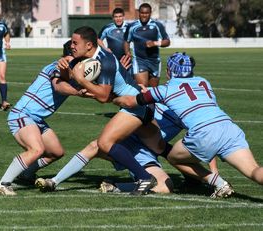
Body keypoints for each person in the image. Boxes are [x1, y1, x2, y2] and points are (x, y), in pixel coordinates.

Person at [113, 52, 263, 192]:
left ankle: (216, 182)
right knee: (253, 170)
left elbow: (132, 102)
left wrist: (114, 97)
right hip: (228, 127)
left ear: (169, 71)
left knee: (172, 157)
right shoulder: (204, 82)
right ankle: (210, 181)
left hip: (204, 132)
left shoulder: (165, 90)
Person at [59, 26, 176, 195]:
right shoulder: (85, 59)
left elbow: (102, 96)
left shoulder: (104, 60)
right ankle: (200, 177)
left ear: (89, 45)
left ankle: (144, 177)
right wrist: (63, 66)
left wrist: (82, 81)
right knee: (161, 149)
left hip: (136, 104)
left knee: (105, 143)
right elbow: (67, 81)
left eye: (75, 43)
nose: (72, 46)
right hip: (134, 105)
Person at [35, 103, 230, 197]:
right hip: (127, 142)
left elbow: (203, 140)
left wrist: (213, 172)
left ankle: (116, 186)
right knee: (96, 145)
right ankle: (54, 181)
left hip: (146, 153)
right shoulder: (161, 94)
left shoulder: (189, 111)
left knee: (166, 187)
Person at [0, 41, 91, 196]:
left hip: (36, 119)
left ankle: (26, 174)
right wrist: (78, 92)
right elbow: (59, 86)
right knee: (36, 150)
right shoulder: (56, 67)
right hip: (23, 114)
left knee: (56, 152)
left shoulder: (72, 74)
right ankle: (3, 184)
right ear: (69, 57)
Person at [124, 3, 170, 87]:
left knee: (153, 91)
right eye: (142, 13)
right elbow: (126, 41)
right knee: (142, 88)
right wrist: (127, 52)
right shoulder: (131, 26)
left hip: (155, 61)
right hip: (139, 60)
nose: (144, 15)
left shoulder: (157, 25)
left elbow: (167, 41)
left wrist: (155, 43)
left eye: (146, 13)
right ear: (139, 13)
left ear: (150, 13)